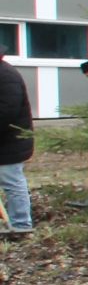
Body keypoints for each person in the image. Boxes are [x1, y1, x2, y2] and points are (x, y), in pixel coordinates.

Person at [0, 48, 32, 237]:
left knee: (12, 182)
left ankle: (21, 225)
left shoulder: (6, 75)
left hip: (9, 142)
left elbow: (6, 112)